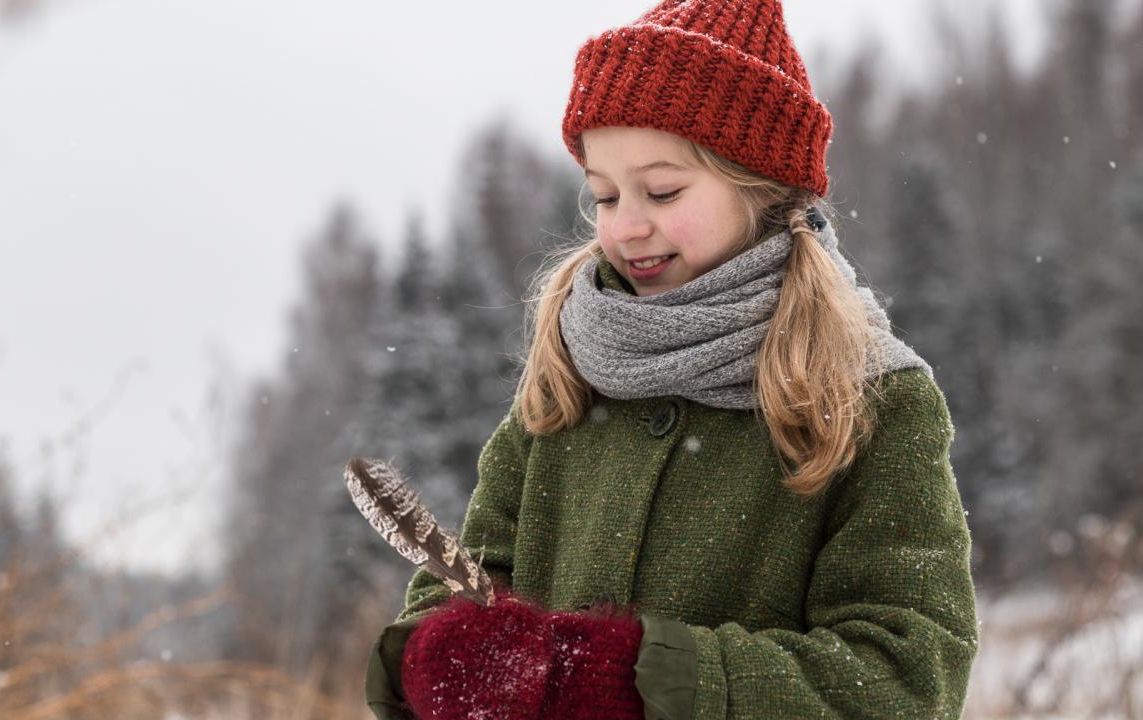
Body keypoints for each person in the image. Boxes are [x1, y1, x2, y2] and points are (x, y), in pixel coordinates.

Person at [365, 0, 979, 718]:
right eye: (604, 195)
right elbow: (470, 581)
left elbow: (909, 674)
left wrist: (649, 677)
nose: (626, 225)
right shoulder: (568, 377)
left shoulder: (874, 398)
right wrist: (435, 651)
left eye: (662, 190)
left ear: (760, 187)